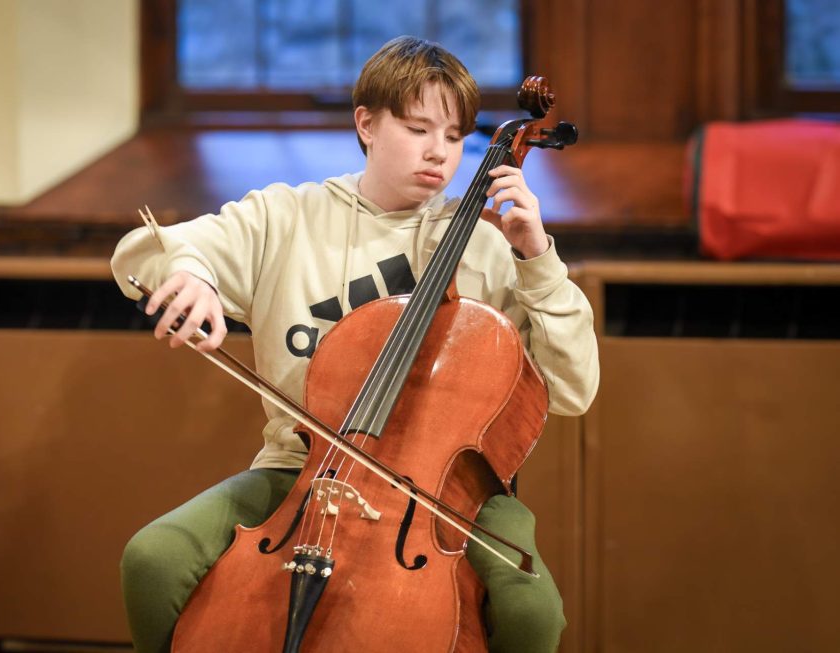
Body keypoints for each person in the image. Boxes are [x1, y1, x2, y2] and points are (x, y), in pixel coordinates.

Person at [111, 35, 599, 653]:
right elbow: (140, 255)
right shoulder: (287, 217)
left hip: (446, 494)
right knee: (154, 559)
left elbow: (572, 392)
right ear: (366, 124)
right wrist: (193, 275)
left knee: (531, 611)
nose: (439, 151)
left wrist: (537, 257)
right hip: (299, 472)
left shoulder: (488, 245)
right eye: (418, 128)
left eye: (455, 136)